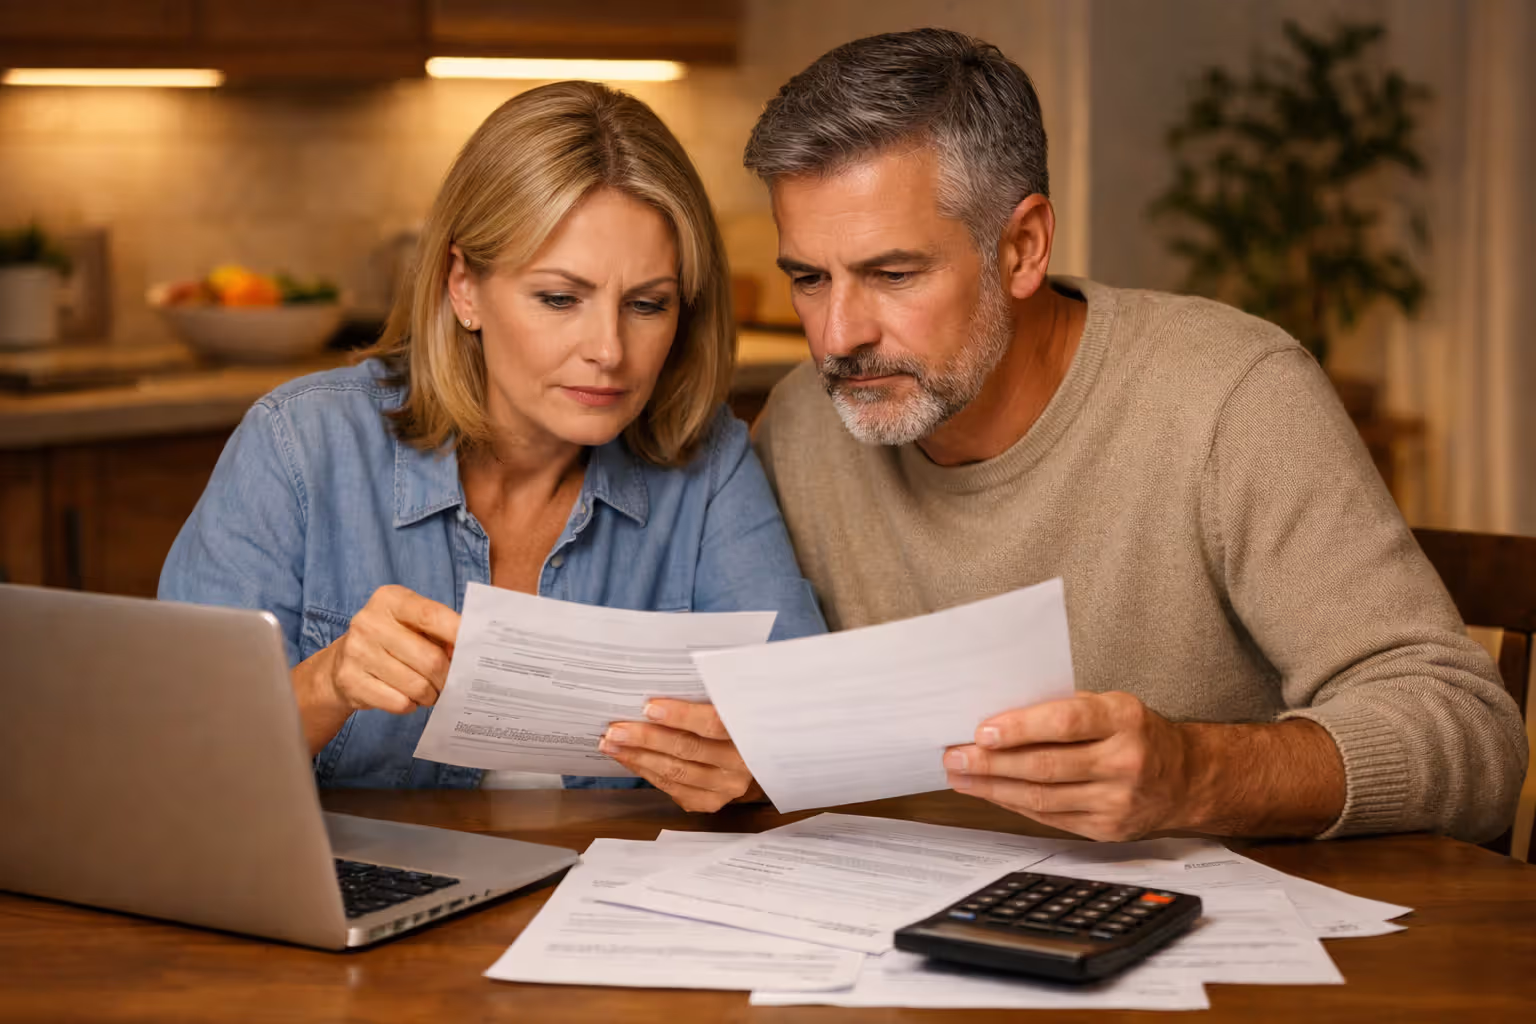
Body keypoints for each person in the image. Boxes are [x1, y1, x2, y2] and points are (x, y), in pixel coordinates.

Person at [745, 28, 1526, 843]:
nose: (837, 336)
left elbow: (1474, 737)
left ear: (1022, 247)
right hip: (898, 932)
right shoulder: (803, 421)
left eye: (892, 274)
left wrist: (1198, 774)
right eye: (807, 278)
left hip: (1220, 939)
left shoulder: (1232, 395)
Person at [161, 81, 822, 811]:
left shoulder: (709, 467)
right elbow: (175, 767)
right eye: (560, 298)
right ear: (464, 288)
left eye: (646, 304)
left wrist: (756, 771)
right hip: (354, 907)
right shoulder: (299, 447)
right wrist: (328, 682)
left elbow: (802, 732)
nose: (609, 350)